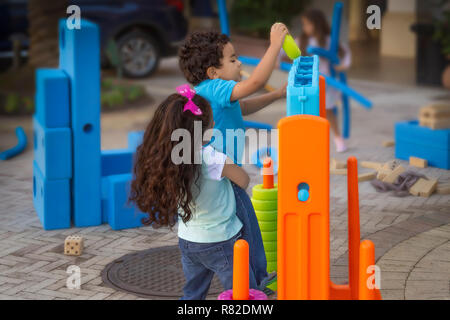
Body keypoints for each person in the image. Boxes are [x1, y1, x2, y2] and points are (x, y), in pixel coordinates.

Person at [129, 86, 268, 299]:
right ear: (206, 128)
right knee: (244, 293)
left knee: (193, 293)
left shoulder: (170, 160)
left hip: (188, 241)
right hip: (222, 241)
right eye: (211, 119)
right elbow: (244, 180)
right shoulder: (212, 158)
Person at [178, 23, 288, 289]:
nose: (239, 63)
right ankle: (254, 285)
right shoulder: (212, 88)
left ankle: (254, 280)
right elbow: (255, 82)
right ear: (213, 72)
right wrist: (275, 45)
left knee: (247, 227)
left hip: (219, 174)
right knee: (247, 228)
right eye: (233, 59)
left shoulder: (215, 93)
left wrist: (276, 95)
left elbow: (243, 106)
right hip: (224, 176)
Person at [278, 9, 352, 152]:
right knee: (306, 112)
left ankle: (338, 138)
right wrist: (277, 59)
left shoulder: (329, 40)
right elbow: (283, 51)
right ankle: (308, 142)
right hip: (307, 83)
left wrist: (343, 65)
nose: (305, 28)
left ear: (317, 24)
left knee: (328, 110)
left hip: (326, 83)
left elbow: (345, 52)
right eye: (304, 24)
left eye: (308, 24)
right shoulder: (302, 41)